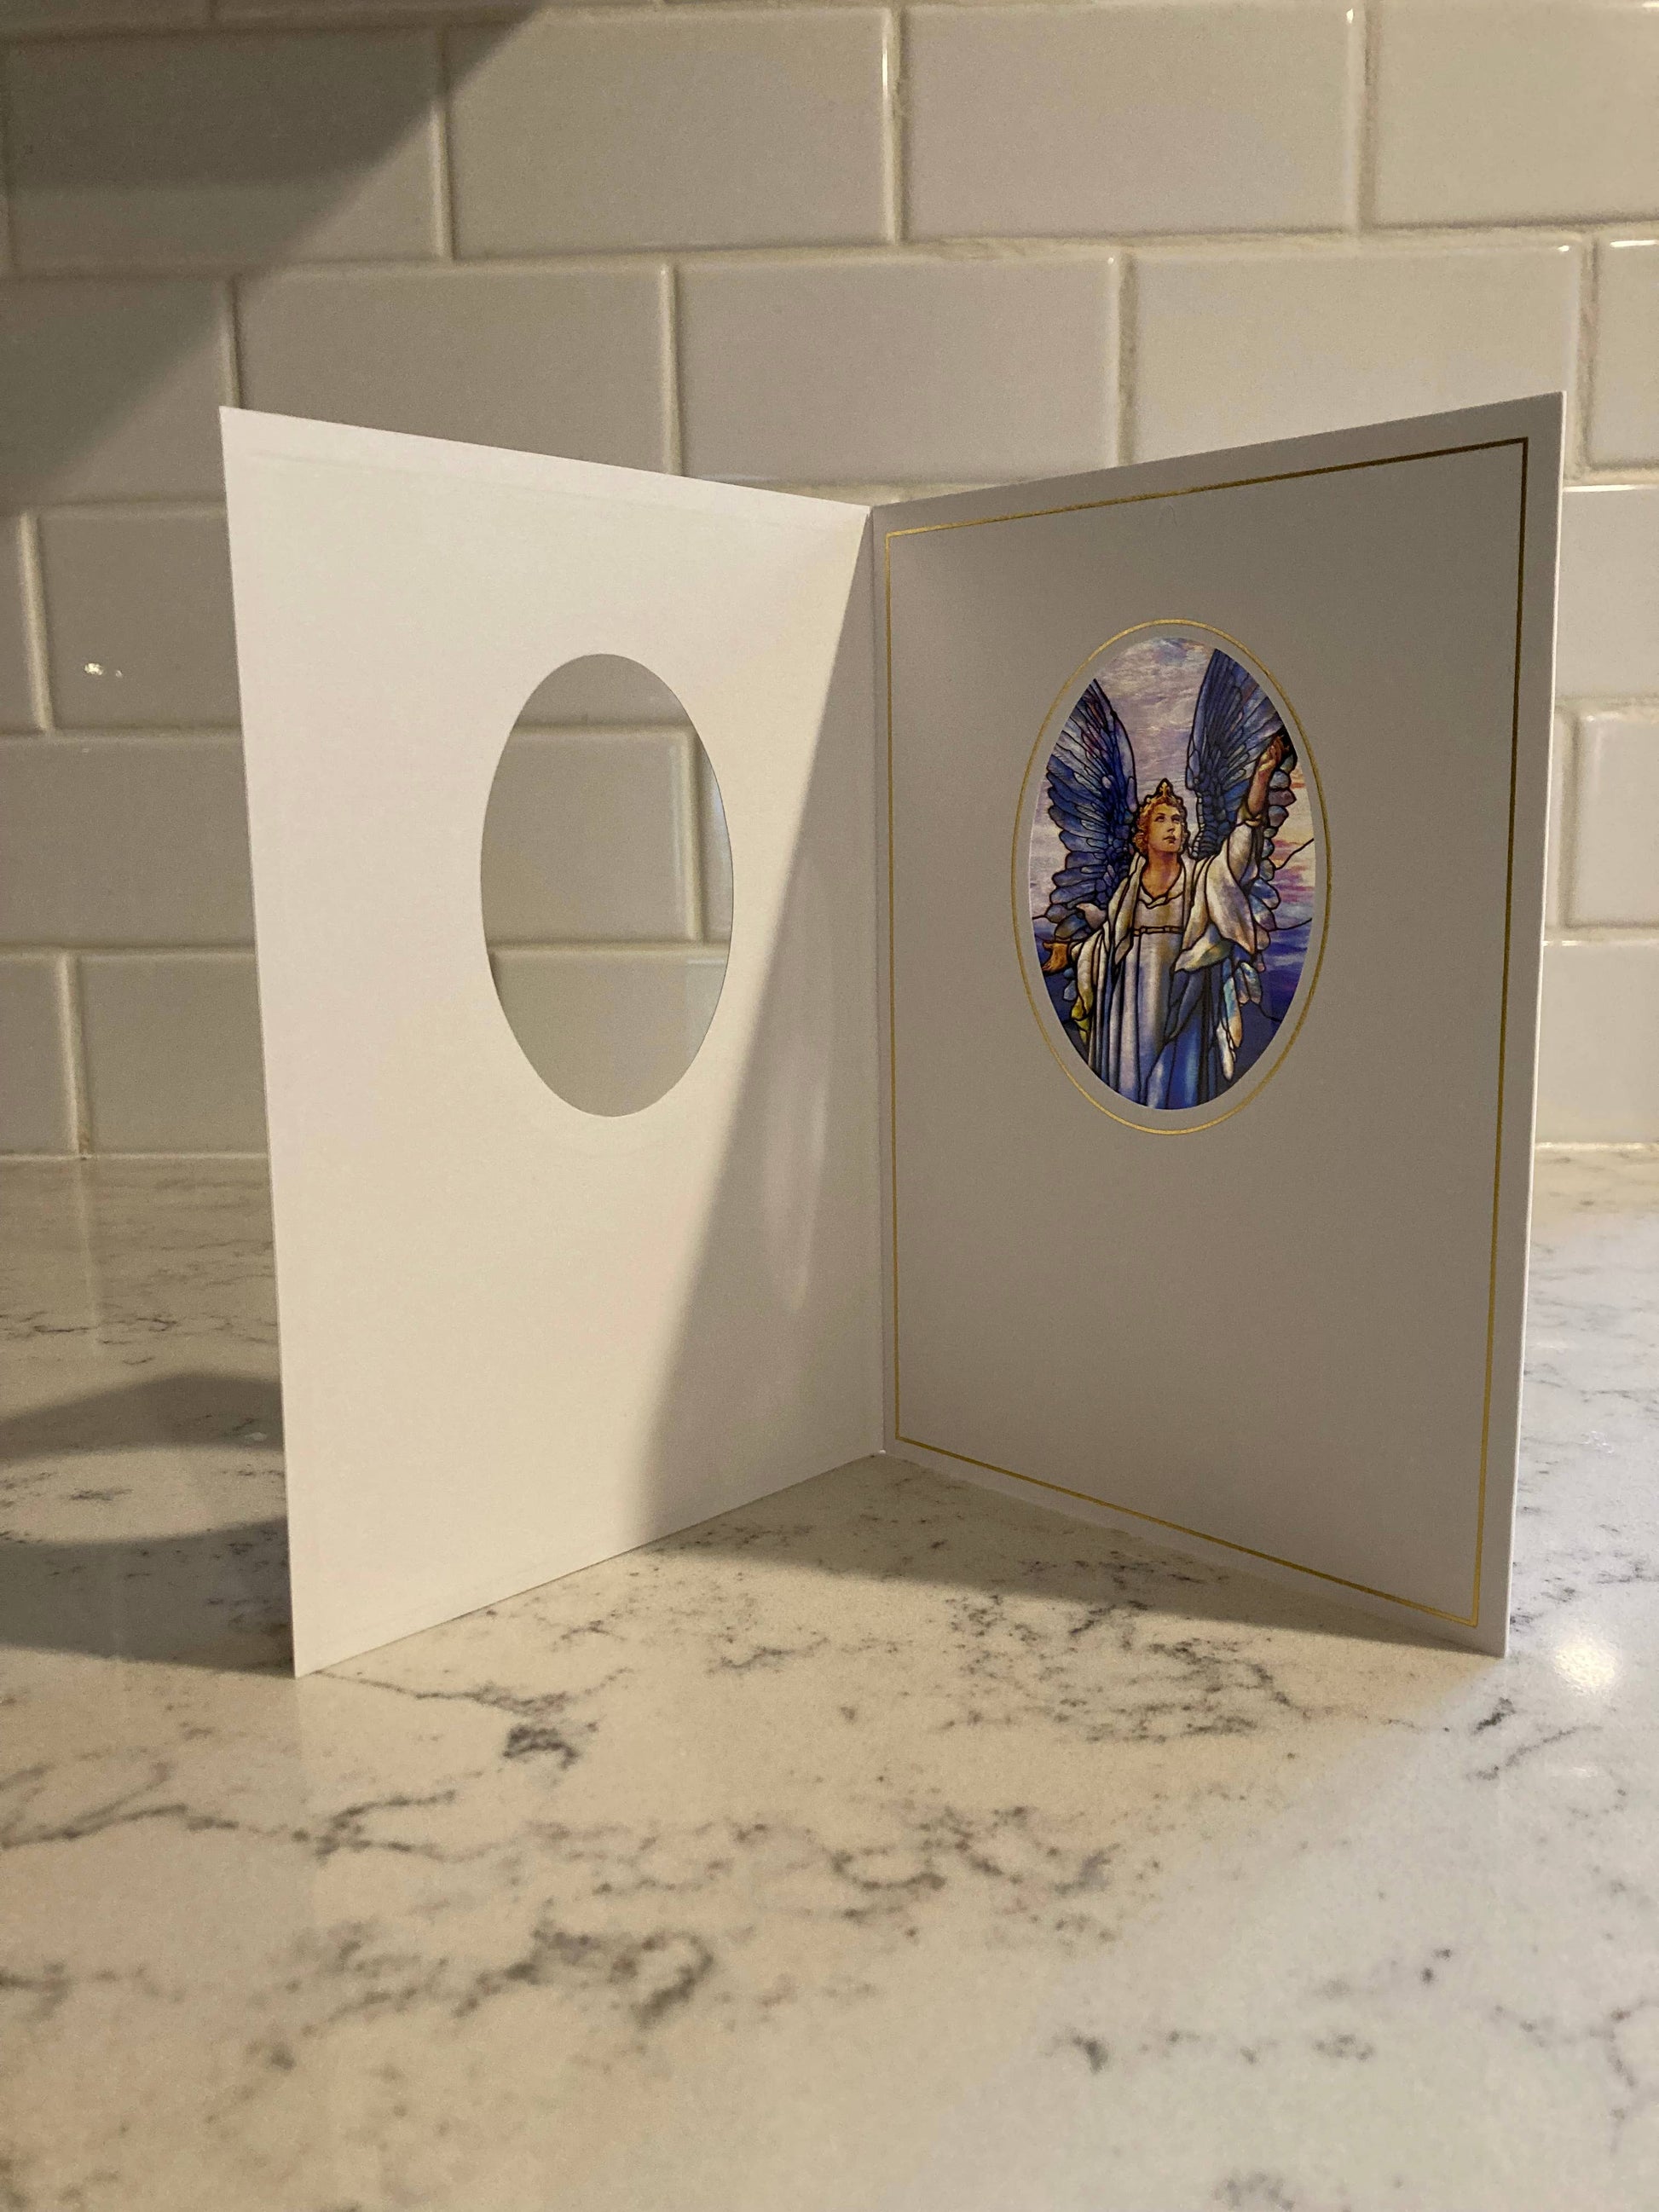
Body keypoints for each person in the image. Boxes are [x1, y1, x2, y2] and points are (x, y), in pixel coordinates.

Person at [1054, 731, 1288, 1107]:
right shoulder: (1127, 892)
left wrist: (1260, 779)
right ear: (1143, 835)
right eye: (1162, 819)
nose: (1173, 826)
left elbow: (1238, 854)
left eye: (1178, 819)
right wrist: (1070, 951)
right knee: (1128, 1083)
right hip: (1129, 999)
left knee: (1178, 1084)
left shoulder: (1201, 878)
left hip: (1185, 992)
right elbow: (1108, 945)